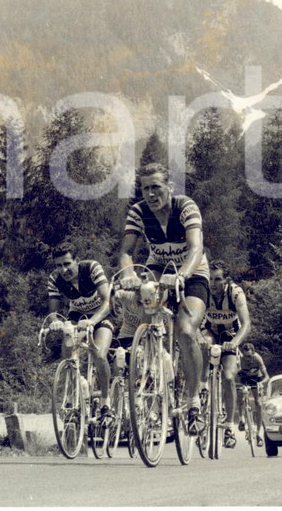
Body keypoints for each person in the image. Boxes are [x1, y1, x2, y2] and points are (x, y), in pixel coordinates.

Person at [118, 162, 210, 436]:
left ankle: (194, 401)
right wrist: (130, 274)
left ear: (169, 186)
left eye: (156, 186)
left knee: (184, 329)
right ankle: (153, 371)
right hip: (158, 266)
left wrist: (181, 275)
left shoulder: (185, 207)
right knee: (147, 309)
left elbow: (196, 248)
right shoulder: (138, 211)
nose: (150, 193)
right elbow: (126, 251)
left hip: (192, 269)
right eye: (145, 188)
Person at [46, 241, 115, 424]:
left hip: (102, 314)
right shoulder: (55, 279)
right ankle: (76, 391)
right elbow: (53, 313)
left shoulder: (91, 268)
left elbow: (107, 301)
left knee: (99, 354)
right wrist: (55, 322)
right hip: (77, 315)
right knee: (67, 352)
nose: (63, 269)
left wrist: (93, 321)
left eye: (67, 264)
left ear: (76, 260)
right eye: (59, 265)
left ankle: (105, 402)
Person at [202, 262, 251, 448]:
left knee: (229, 377)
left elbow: (246, 324)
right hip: (210, 333)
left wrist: (235, 343)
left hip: (230, 336)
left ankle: (229, 427)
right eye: (210, 279)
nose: (213, 283)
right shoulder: (204, 291)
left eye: (218, 279)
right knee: (203, 345)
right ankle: (203, 387)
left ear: (226, 280)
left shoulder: (236, 293)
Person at [236, 341, 270, 446]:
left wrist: (261, 383)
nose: (248, 359)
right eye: (245, 357)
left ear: (253, 353)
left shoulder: (257, 358)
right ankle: (241, 418)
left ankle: (259, 433)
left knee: (258, 403)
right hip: (244, 378)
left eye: (249, 356)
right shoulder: (239, 360)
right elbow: (234, 376)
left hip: (256, 378)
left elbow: (267, 376)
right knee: (240, 393)